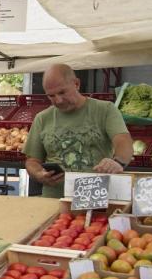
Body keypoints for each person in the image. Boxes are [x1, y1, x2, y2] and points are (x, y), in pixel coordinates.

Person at [23, 64, 133, 199]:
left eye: (62, 92)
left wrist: (118, 162)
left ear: (76, 84)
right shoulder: (42, 118)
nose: (58, 100)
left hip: (95, 198)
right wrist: (39, 174)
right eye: (51, 96)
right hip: (54, 199)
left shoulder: (105, 110)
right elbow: (32, 161)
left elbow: (123, 141)